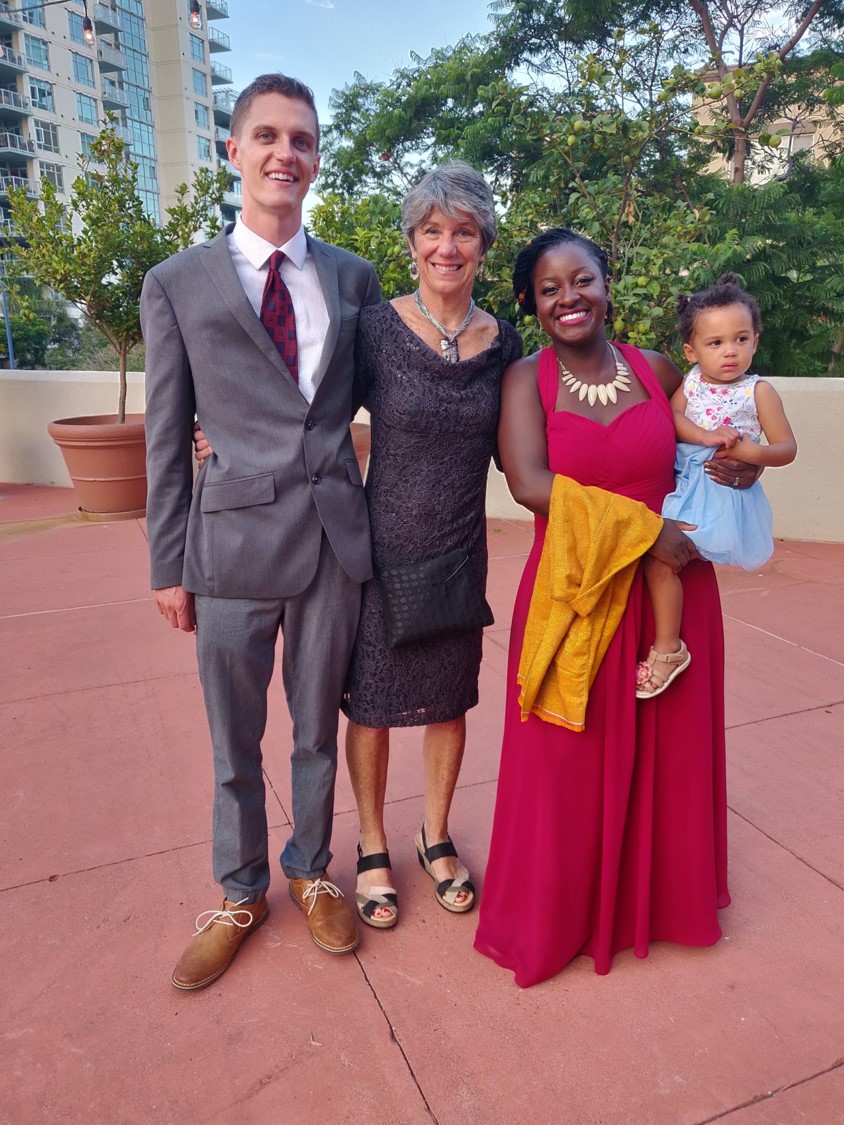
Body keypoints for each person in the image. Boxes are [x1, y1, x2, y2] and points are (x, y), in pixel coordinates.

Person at [141, 73, 381, 991]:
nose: (288, 152)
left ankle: (312, 871)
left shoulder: (354, 278)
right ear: (233, 151)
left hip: (330, 543)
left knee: (317, 727)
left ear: (316, 159)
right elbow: (166, 437)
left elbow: (367, 397)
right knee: (233, 737)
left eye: (305, 139)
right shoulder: (177, 285)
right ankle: (240, 890)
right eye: (270, 136)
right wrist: (169, 563)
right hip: (230, 546)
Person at [473, 227, 759, 987]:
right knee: (564, 758)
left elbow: (705, 447)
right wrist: (645, 531)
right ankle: (560, 916)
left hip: (673, 589)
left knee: (671, 754)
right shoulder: (524, 380)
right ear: (532, 305)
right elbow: (529, 484)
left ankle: (658, 905)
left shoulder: (657, 367)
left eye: (583, 280)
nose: (570, 297)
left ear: (607, 284)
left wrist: (732, 474)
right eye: (549, 288)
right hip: (578, 589)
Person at [340, 163, 522, 929]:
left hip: (459, 552)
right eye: (433, 231)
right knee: (373, 705)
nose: (448, 245)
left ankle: (434, 833)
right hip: (381, 554)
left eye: (465, 232)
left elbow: (525, 451)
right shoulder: (376, 329)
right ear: (412, 242)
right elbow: (314, 417)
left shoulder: (504, 341)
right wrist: (230, 435)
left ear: (483, 245)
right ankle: (374, 841)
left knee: (450, 701)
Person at [637, 274, 797, 698]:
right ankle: (664, 641)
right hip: (687, 484)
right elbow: (673, 419)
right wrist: (705, 436)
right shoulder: (690, 382)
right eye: (715, 343)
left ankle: (669, 648)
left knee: (660, 560)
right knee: (651, 556)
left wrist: (752, 454)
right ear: (691, 351)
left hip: (721, 497)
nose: (730, 351)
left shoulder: (757, 391)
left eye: (740, 339)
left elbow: (786, 448)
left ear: (755, 342)